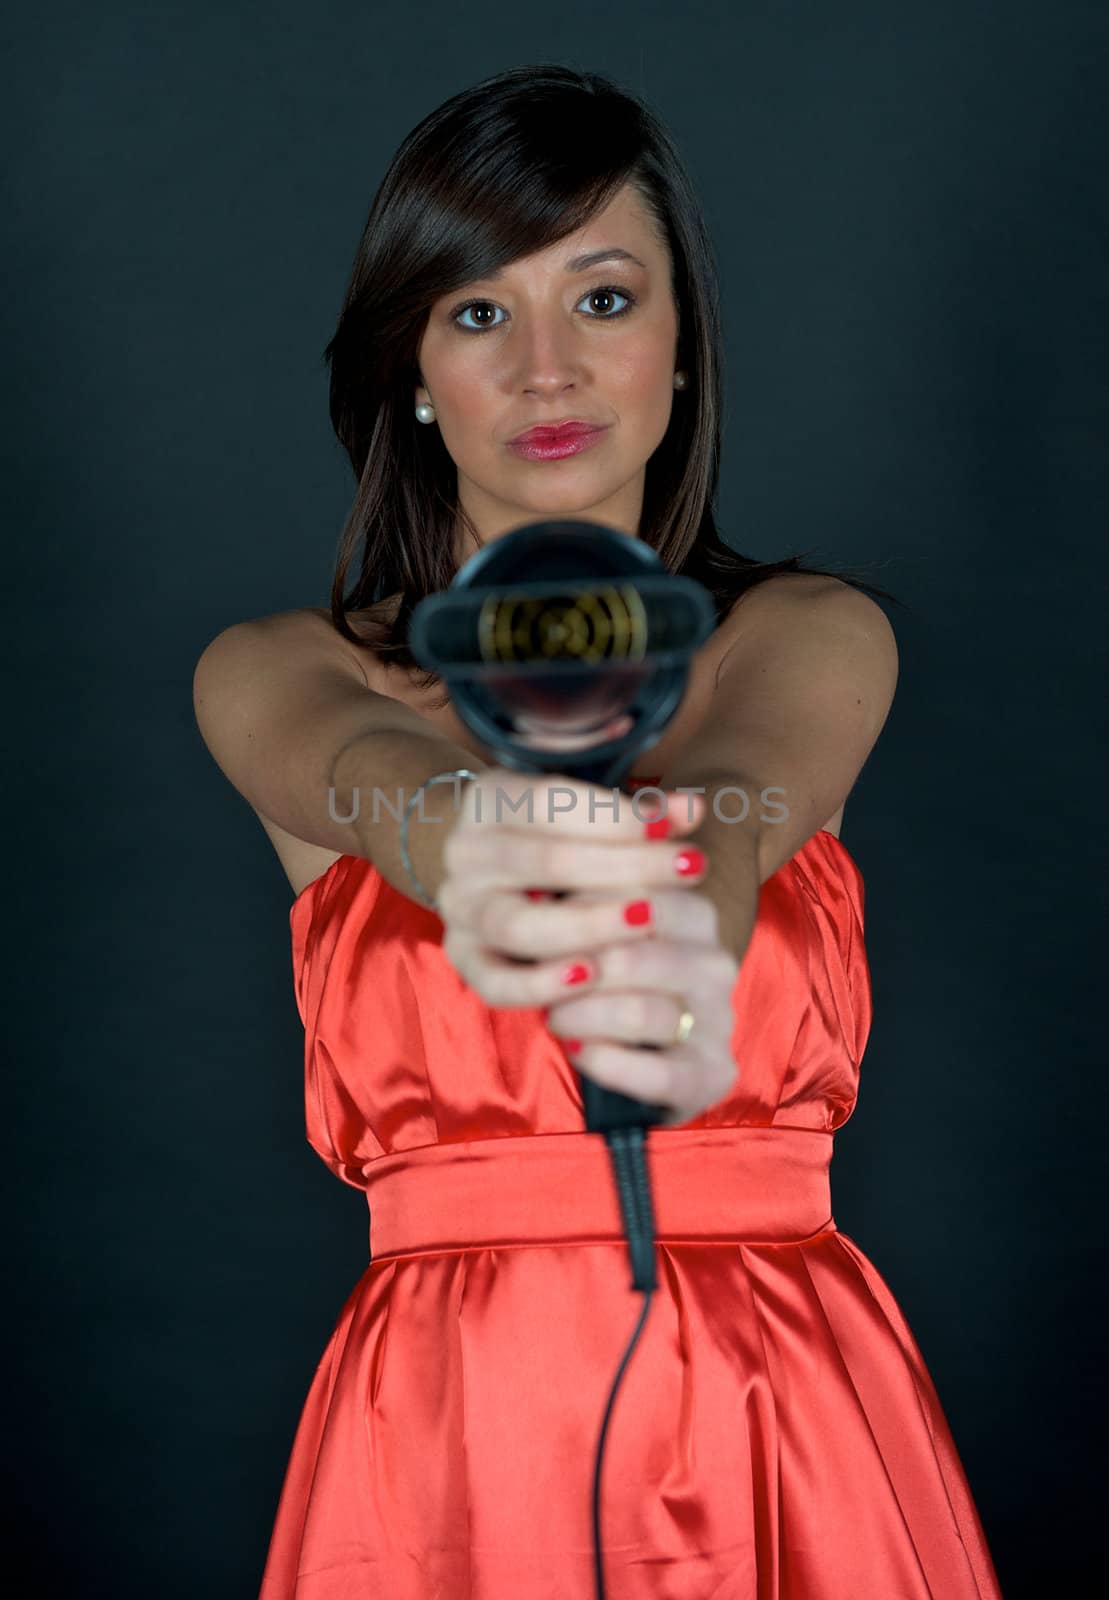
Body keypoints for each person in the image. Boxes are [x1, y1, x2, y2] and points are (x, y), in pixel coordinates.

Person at [193, 64, 1003, 1600]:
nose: (549, 369)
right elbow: (363, 772)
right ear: (415, 369)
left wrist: (682, 879)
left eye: (605, 299)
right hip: (447, 1425)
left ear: (682, 349)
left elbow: (744, 800)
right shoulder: (278, 667)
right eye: (482, 313)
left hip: (785, 1400)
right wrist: (458, 838)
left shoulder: (811, 635)